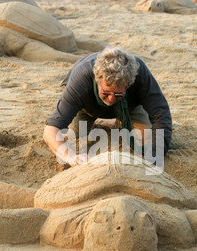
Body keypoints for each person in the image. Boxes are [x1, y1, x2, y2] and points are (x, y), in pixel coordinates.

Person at [43, 46, 172, 166]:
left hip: (129, 107)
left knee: (146, 137)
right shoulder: (81, 79)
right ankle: (105, 120)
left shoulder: (140, 73)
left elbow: (161, 115)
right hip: (89, 107)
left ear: (129, 84)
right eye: (106, 92)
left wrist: (155, 156)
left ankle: (119, 120)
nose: (111, 98)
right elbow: (51, 129)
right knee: (78, 132)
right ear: (97, 80)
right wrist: (70, 157)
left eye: (118, 94)